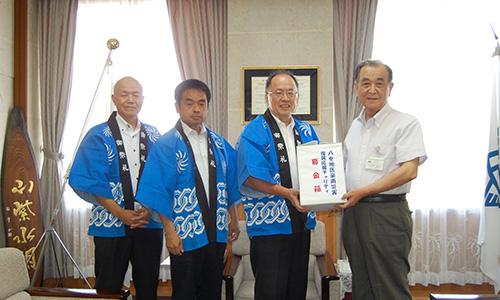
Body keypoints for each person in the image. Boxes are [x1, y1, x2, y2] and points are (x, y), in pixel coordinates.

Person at [135, 79, 240, 300]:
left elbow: (230, 183)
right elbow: (159, 191)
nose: (196, 109)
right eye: (189, 103)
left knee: (212, 290)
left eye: (202, 103)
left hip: (216, 230)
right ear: (177, 107)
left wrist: (233, 218)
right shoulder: (166, 144)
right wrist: (169, 231)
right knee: (185, 291)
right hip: (185, 233)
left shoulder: (219, 143)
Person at [69, 76, 163, 299]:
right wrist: (121, 213)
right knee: (108, 288)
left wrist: (148, 210)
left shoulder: (154, 134)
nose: (130, 99)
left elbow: (162, 177)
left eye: (135, 94)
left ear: (143, 99)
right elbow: (92, 180)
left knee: (148, 286)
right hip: (110, 223)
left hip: (147, 222)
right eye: (124, 94)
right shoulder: (98, 135)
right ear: (114, 99)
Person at [340, 60, 427, 300]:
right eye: (365, 83)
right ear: (356, 87)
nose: (372, 90)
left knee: (390, 286)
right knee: (362, 285)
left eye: (380, 83)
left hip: (386, 213)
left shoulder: (405, 123)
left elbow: (409, 170)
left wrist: (363, 191)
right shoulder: (355, 126)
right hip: (354, 213)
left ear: (390, 87)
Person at [236, 70, 320, 300]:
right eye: (279, 92)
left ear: (297, 96)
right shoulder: (253, 131)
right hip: (269, 226)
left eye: (290, 92)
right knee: (270, 291)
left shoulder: (306, 130)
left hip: (301, 222)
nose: (285, 98)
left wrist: (322, 195)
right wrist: (286, 193)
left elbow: (318, 172)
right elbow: (250, 176)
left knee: (296, 288)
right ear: (267, 97)